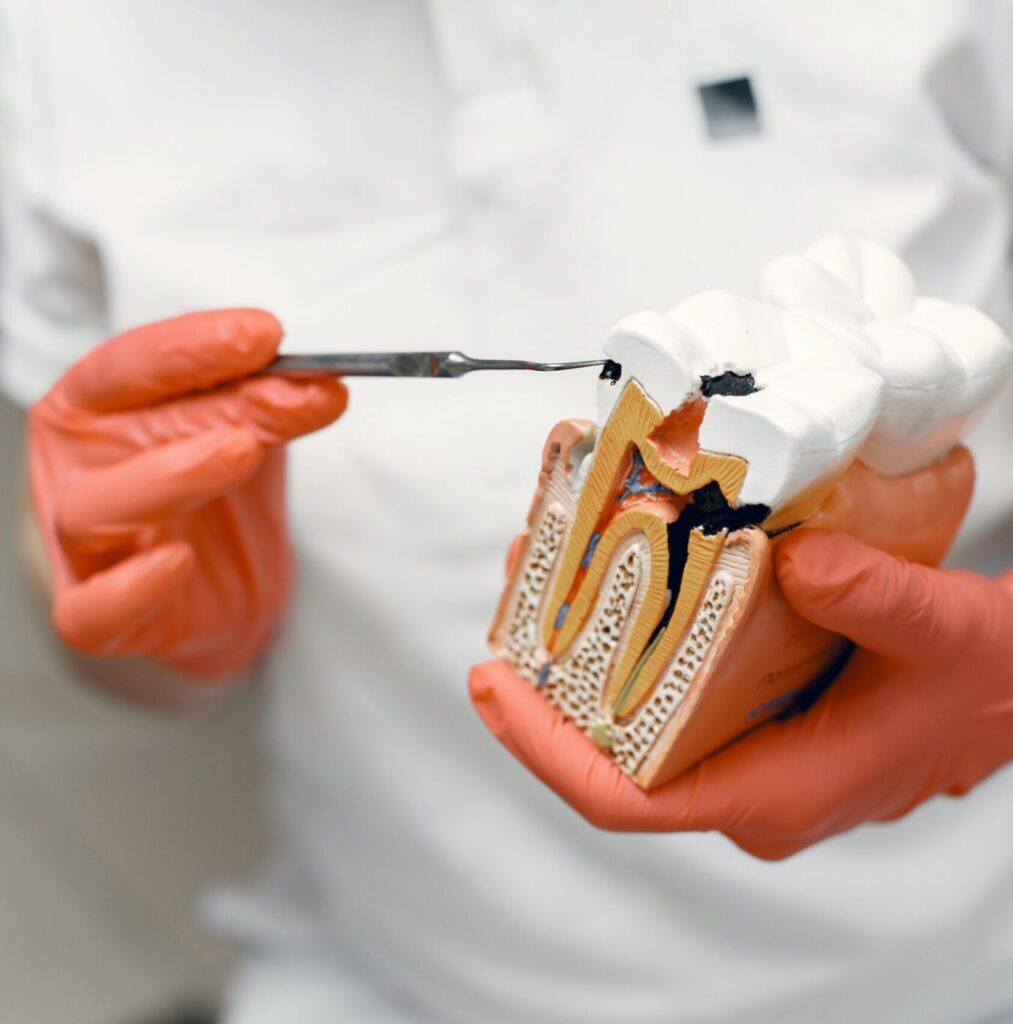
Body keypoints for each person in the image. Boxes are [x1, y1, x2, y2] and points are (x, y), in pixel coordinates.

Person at [4, 2, 1013, 1021]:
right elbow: (115, 640)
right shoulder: (55, 41)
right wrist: (143, 617)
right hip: (380, 966)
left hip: (940, 972)